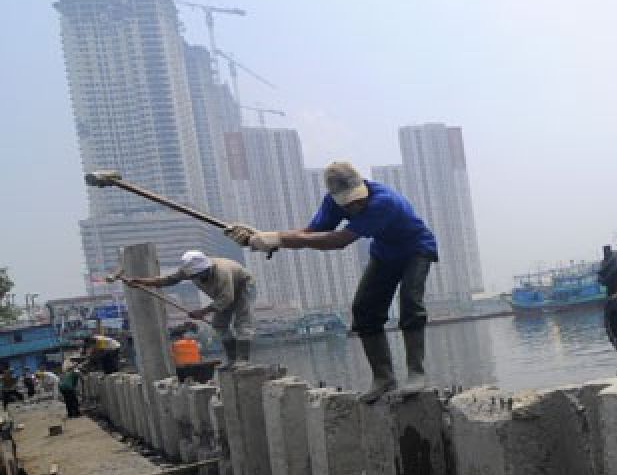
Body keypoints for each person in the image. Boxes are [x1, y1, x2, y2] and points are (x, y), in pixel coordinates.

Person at [225, 161, 437, 403]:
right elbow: (310, 233)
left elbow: (339, 240)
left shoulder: (383, 202)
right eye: (349, 203)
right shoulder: (333, 203)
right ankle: (384, 378)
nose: (356, 205)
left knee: (410, 302)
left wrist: (277, 239)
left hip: (417, 249)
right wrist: (264, 238)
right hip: (385, 253)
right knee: (363, 309)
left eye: (359, 199)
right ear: (336, 198)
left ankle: (416, 373)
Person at [126, 251, 256, 366]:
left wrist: (203, 311)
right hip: (224, 294)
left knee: (242, 323)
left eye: (199, 275)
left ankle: (243, 359)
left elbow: (227, 299)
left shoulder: (222, 272)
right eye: (193, 276)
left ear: (206, 269)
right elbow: (168, 280)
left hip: (243, 286)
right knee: (219, 325)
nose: (197, 279)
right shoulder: (189, 271)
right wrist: (141, 282)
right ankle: (232, 359)